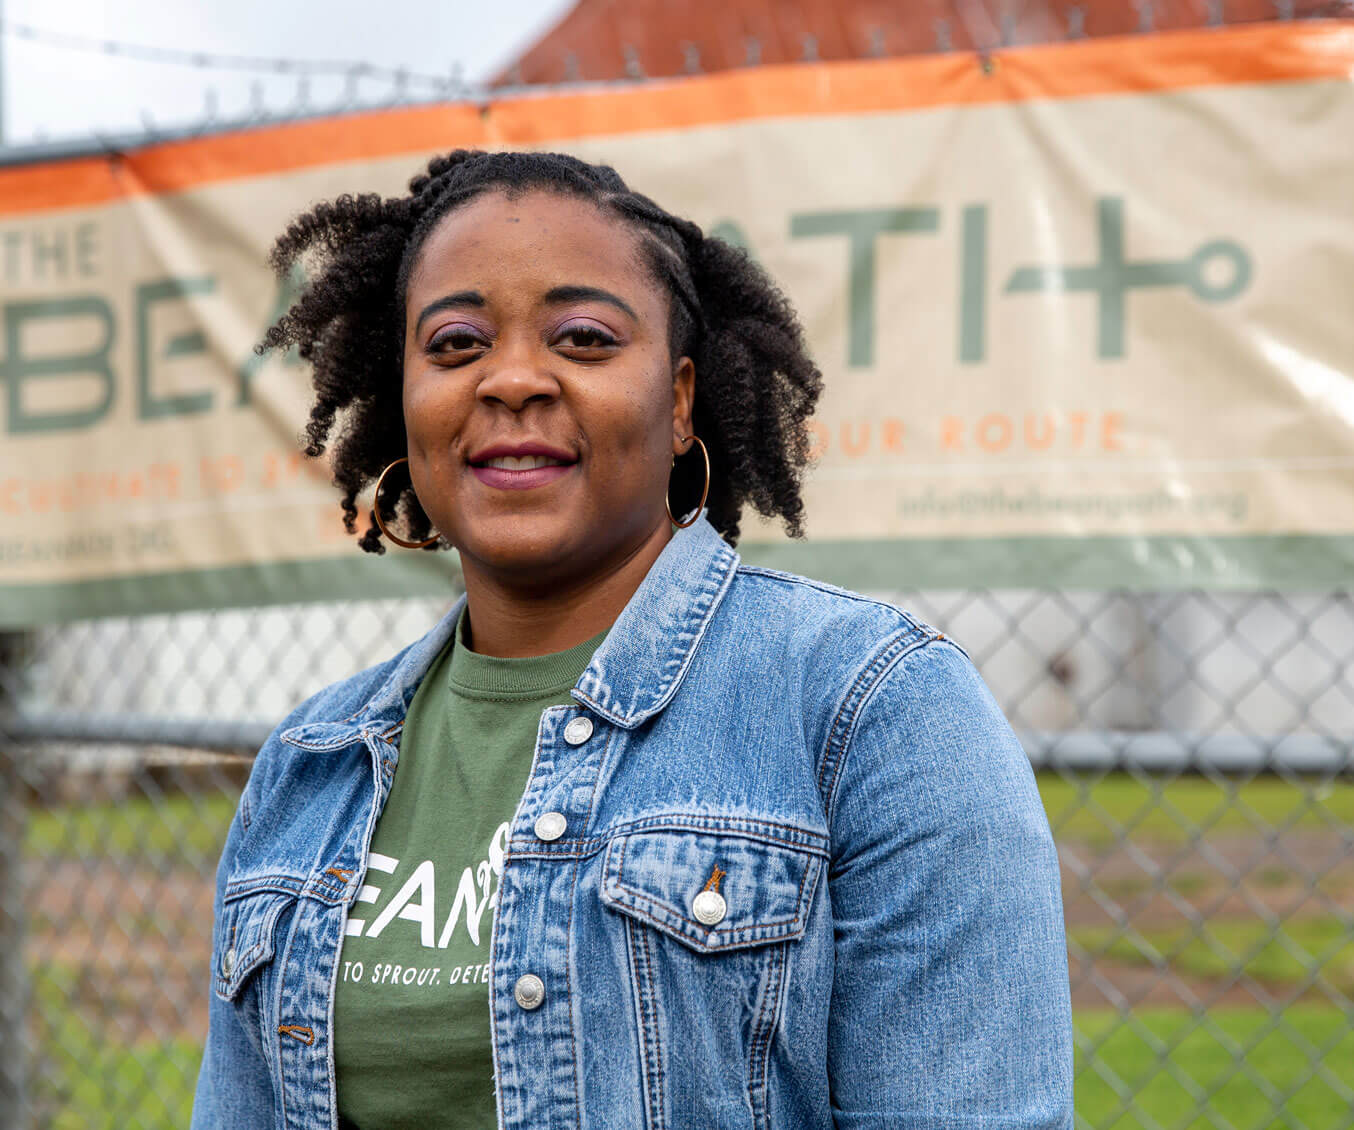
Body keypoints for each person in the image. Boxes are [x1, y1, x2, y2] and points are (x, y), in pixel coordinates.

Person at [190, 150, 1072, 1129]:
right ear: (403, 396)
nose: (511, 378)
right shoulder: (311, 765)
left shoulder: (872, 709)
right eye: (453, 343)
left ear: (681, 397)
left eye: (583, 336)